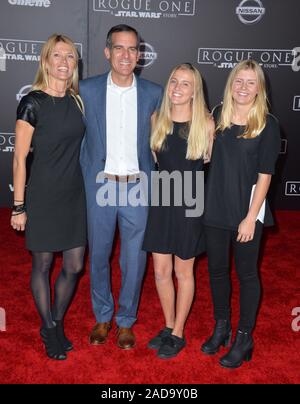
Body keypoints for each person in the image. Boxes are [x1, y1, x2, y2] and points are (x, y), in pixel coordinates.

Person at [79, 24, 163, 349]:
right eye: (119, 48)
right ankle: (103, 316)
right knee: (98, 255)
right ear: (107, 52)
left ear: (139, 54)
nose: (126, 55)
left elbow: (168, 138)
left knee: (134, 260)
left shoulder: (154, 93)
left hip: (138, 187)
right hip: (99, 185)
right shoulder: (86, 90)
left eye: (132, 49)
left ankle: (126, 320)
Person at [11, 34, 87, 360]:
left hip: (74, 194)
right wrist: (18, 207)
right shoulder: (32, 102)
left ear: (75, 64)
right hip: (43, 194)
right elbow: (19, 158)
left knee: (74, 265)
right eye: (57, 56)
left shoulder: (77, 101)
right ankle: (50, 327)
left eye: (69, 57)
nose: (63, 62)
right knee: (42, 264)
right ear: (46, 61)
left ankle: (54, 320)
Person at [201, 59, 281, 368]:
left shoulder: (268, 124)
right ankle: (221, 326)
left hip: (247, 211)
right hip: (215, 206)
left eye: (250, 82)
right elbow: (205, 156)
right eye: (239, 80)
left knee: (247, 274)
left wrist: (250, 217)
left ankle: (244, 337)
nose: (243, 87)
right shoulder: (218, 115)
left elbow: (265, 175)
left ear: (259, 87)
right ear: (231, 83)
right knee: (217, 270)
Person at [142, 63, 214, 359]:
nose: (177, 88)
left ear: (195, 90)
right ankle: (168, 325)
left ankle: (179, 332)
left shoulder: (206, 125)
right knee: (160, 270)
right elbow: (154, 160)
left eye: (185, 83)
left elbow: (209, 164)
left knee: (183, 271)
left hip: (190, 200)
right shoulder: (156, 119)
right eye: (174, 81)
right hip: (162, 197)